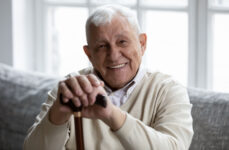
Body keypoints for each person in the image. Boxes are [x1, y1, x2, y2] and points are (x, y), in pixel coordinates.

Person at [24, 4, 193, 150]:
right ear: (89, 54)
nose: (113, 55)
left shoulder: (168, 90)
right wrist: (58, 114)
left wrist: (112, 115)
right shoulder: (72, 88)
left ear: (142, 44)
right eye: (102, 46)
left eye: (122, 42)